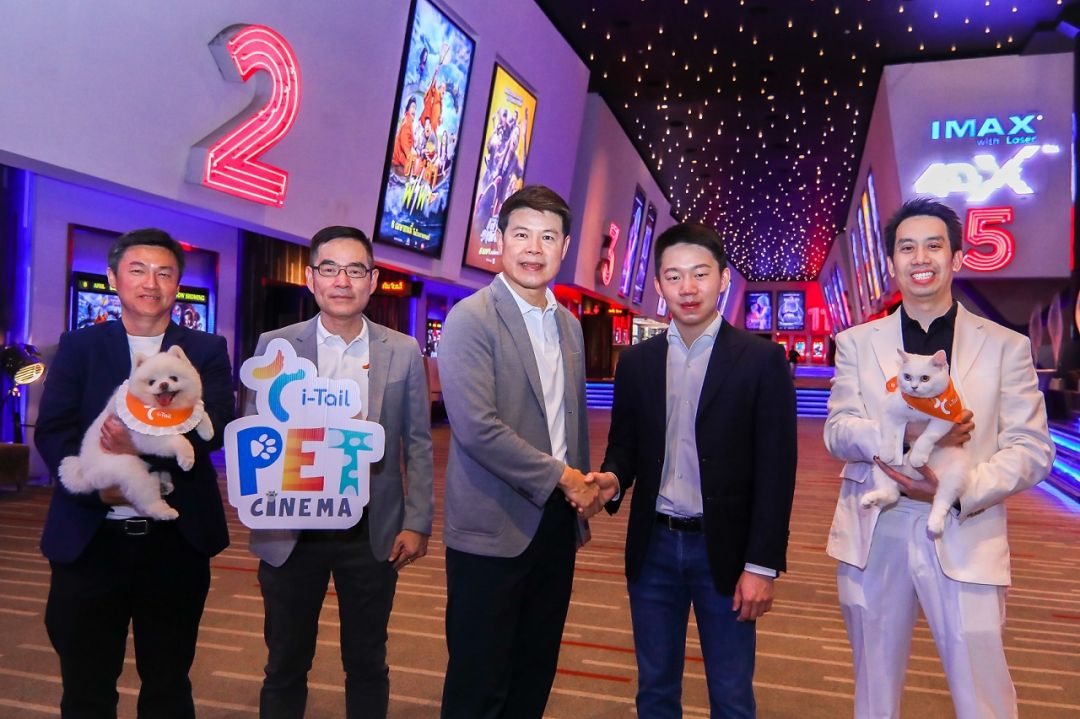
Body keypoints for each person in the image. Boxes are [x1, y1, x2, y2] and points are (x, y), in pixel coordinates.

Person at [823, 198, 1055, 719]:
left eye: (934, 245)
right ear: (891, 263)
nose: (920, 257)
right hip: (874, 530)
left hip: (964, 526)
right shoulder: (856, 343)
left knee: (983, 697)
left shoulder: (1006, 346)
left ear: (957, 257)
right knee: (874, 695)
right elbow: (837, 432)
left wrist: (957, 490)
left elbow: (1033, 449)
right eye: (907, 248)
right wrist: (905, 435)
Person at [589, 223, 797, 718]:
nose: (688, 287)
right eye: (674, 276)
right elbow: (625, 447)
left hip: (724, 551)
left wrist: (761, 566)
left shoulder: (761, 360)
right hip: (653, 548)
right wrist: (611, 478)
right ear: (658, 284)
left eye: (700, 274)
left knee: (731, 695)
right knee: (655, 691)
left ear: (723, 279)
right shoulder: (636, 362)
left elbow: (777, 472)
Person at [36, 228, 235, 718]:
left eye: (164, 273)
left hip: (175, 544)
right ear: (113, 278)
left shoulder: (206, 349)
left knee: (168, 684)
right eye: (138, 270)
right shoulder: (79, 346)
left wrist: (140, 452)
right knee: (86, 687)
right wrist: (101, 488)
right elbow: (55, 431)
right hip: (90, 540)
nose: (151, 283)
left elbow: (215, 429)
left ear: (177, 284)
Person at [247, 226, 434, 719]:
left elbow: (418, 442)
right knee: (285, 664)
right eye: (330, 269)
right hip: (292, 529)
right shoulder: (276, 345)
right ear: (311, 278)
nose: (342, 281)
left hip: (371, 532)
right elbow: (255, 436)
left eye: (355, 270)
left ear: (372, 280)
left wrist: (417, 521)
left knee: (368, 662)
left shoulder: (402, 350)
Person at [438, 185, 599, 719]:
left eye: (548, 237)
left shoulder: (569, 325)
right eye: (522, 234)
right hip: (491, 526)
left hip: (554, 524)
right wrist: (564, 476)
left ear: (565, 247)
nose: (534, 248)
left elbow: (569, 418)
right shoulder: (471, 317)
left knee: (534, 672)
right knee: (479, 685)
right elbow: (477, 428)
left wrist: (581, 486)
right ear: (500, 241)